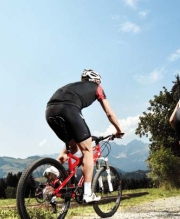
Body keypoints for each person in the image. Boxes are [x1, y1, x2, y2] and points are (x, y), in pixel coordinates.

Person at [45, 69, 125, 203]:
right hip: (69, 109)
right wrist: (118, 130)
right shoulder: (97, 87)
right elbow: (109, 113)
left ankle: (54, 168)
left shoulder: (73, 86)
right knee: (87, 150)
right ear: (96, 80)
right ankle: (88, 193)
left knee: (73, 147)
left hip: (49, 110)